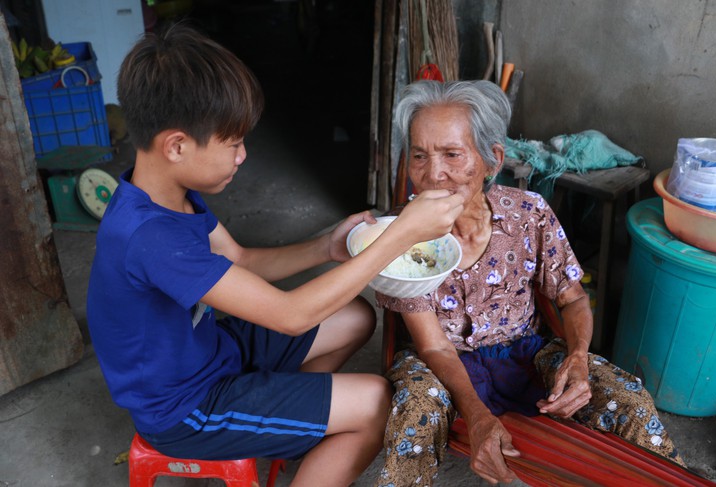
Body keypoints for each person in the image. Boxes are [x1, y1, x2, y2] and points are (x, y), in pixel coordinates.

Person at [86, 25, 465, 487]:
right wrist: (403, 232)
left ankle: (292, 423)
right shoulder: (149, 237)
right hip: (186, 408)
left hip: (214, 354)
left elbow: (240, 260)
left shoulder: (165, 195)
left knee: (353, 317)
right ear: (177, 145)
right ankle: (294, 425)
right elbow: (290, 316)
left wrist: (325, 247)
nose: (243, 155)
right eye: (233, 143)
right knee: (375, 403)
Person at [374, 80, 684, 486]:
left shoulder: (527, 213)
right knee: (415, 417)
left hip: (524, 352)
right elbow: (433, 345)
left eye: (452, 154)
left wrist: (576, 356)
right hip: (439, 362)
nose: (433, 174)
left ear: (492, 159)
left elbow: (572, 299)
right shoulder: (397, 235)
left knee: (626, 397)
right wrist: (477, 415)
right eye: (419, 156)